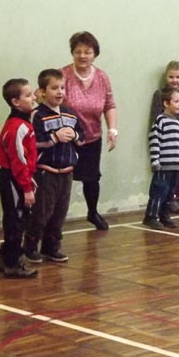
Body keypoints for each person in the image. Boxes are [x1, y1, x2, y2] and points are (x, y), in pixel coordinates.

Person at [23, 69, 85, 263]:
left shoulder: (70, 114)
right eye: (54, 88)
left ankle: (52, 246)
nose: (59, 92)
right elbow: (32, 142)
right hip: (46, 172)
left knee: (60, 213)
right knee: (42, 212)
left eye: (62, 88)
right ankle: (31, 246)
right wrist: (54, 138)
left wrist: (75, 136)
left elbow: (82, 138)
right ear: (42, 91)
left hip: (67, 172)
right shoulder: (37, 115)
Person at [62, 31, 117, 230]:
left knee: (92, 178)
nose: (82, 56)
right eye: (78, 51)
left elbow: (109, 105)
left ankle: (92, 213)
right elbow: (45, 95)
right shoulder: (62, 75)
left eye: (87, 52)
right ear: (72, 53)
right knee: (62, 179)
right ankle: (54, 219)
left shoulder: (102, 77)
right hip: (66, 138)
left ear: (95, 54)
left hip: (92, 137)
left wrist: (112, 130)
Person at [0, 78, 39, 279]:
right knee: (16, 220)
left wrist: (29, 178)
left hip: (18, 177)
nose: (33, 97)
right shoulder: (17, 127)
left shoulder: (24, 123)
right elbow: (18, 160)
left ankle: (5, 258)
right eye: (28, 95)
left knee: (18, 219)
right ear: (15, 102)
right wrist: (26, 187)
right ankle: (13, 263)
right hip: (11, 177)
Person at [150, 61, 179, 215]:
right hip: (166, 137)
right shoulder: (160, 94)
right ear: (166, 77)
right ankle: (166, 200)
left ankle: (177, 197)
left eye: (178, 77)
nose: (175, 80)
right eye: (171, 77)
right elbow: (155, 116)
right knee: (166, 172)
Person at [144, 88, 179, 230]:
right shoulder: (161, 120)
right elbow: (154, 139)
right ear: (166, 103)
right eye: (176, 101)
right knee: (159, 191)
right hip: (163, 166)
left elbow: (178, 143)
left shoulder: (176, 123)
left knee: (169, 193)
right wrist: (155, 160)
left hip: (175, 166)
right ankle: (151, 216)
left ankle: (164, 215)